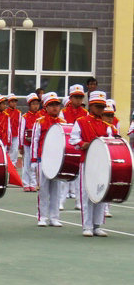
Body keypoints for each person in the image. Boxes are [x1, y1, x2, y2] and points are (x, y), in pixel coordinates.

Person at [69, 90, 116, 237]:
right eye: (97, 106)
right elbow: (73, 139)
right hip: (87, 161)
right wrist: (82, 144)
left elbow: (111, 142)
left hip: (102, 164)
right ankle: (87, 226)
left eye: (102, 107)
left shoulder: (106, 125)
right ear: (91, 106)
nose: (100, 109)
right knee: (87, 193)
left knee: (101, 192)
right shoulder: (81, 121)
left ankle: (97, 225)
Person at [29, 93, 65, 228]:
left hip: (58, 161)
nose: (55, 107)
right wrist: (34, 160)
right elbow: (35, 141)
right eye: (52, 105)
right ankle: (42, 217)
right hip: (42, 159)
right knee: (43, 190)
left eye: (57, 105)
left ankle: (54, 217)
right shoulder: (40, 122)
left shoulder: (63, 122)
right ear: (46, 107)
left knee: (56, 190)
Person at [20, 93, 42, 191]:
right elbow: (21, 131)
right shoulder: (25, 116)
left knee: (35, 164)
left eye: (37, 104)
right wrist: (21, 145)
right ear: (29, 105)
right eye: (33, 104)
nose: (36, 106)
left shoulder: (41, 116)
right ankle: (26, 183)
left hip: (37, 144)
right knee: (27, 164)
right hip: (27, 143)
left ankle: (33, 184)